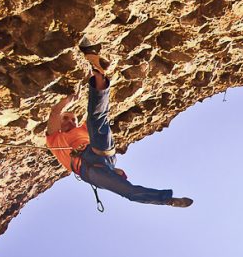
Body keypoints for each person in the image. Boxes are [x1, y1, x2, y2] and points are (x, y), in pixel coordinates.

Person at [45, 48, 193, 209]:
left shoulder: (82, 130)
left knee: (97, 117)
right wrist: (69, 99)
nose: (71, 121)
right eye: (66, 119)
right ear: (60, 124)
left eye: (73, 119)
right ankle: (168, 200)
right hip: (92, 171)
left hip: (96, 150)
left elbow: (96, 117)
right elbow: (55, 113)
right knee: (128, 192)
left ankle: (98, 75)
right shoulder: (54, 140)